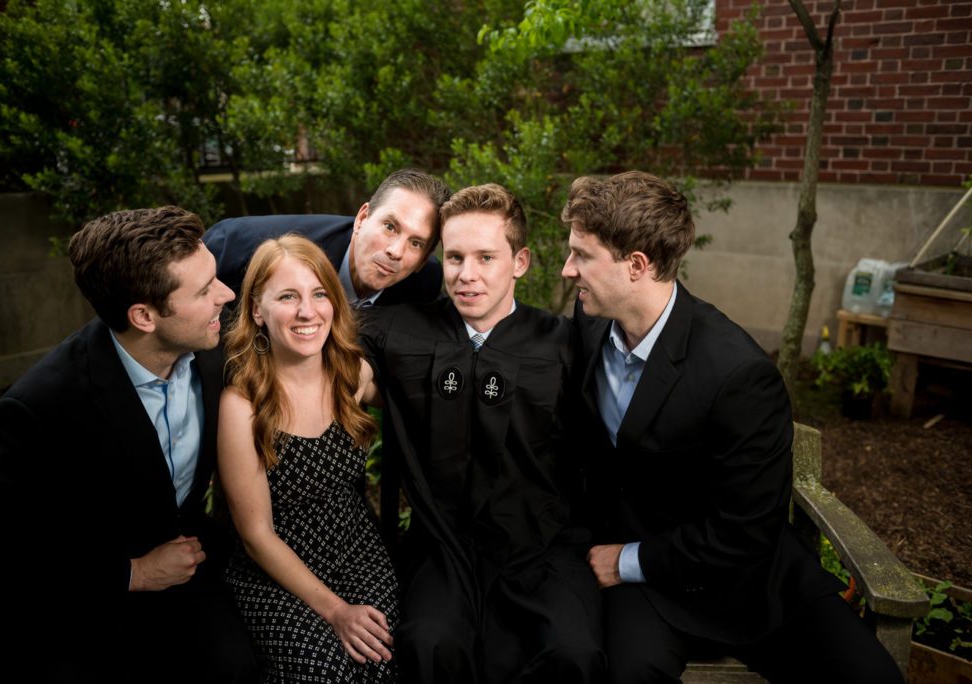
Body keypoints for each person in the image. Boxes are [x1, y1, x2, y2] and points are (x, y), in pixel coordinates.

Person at [560, 171, 904, 684]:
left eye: (581, 256)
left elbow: (745, 532)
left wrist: (625, 560)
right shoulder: (589, 327)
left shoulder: (738, 373)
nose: (568, 271)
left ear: (636, 265)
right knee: (630, 673)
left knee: (872, 678)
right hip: (644, 591)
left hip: (745, 582)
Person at [0, 207, 257, 682]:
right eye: (204, 290)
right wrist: (133, 573)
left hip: (185, 564)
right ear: (143, 315)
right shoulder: (39, 409)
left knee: (238, 667)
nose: (226, 295)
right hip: (72, 600)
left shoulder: (213, 346)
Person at [363, 184, 605, 684]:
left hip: (541, 549)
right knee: (427, 644)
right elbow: (326, 340)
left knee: (571, 653)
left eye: (485, 257)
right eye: (453, 258)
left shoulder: (564, 343)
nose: (466, 275)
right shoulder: (401, 330)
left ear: (520, 261)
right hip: (442, 547)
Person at [218, 235, 398, 683]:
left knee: (381, 659)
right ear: (257, 310)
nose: (307, 311)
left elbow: (420, 399)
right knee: (322, 672)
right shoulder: (242, 405)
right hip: (276, 568)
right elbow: (257, 535)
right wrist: (337, 612)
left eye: (319, 294)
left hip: (357, 552)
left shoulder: (350, 375)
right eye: (288, 297)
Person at [203, 168, 451, 307]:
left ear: (423, 259)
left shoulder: (423, 284)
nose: (396, 251)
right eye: (390, 227)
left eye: (416, 243)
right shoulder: (239, 248)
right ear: (362, 218)